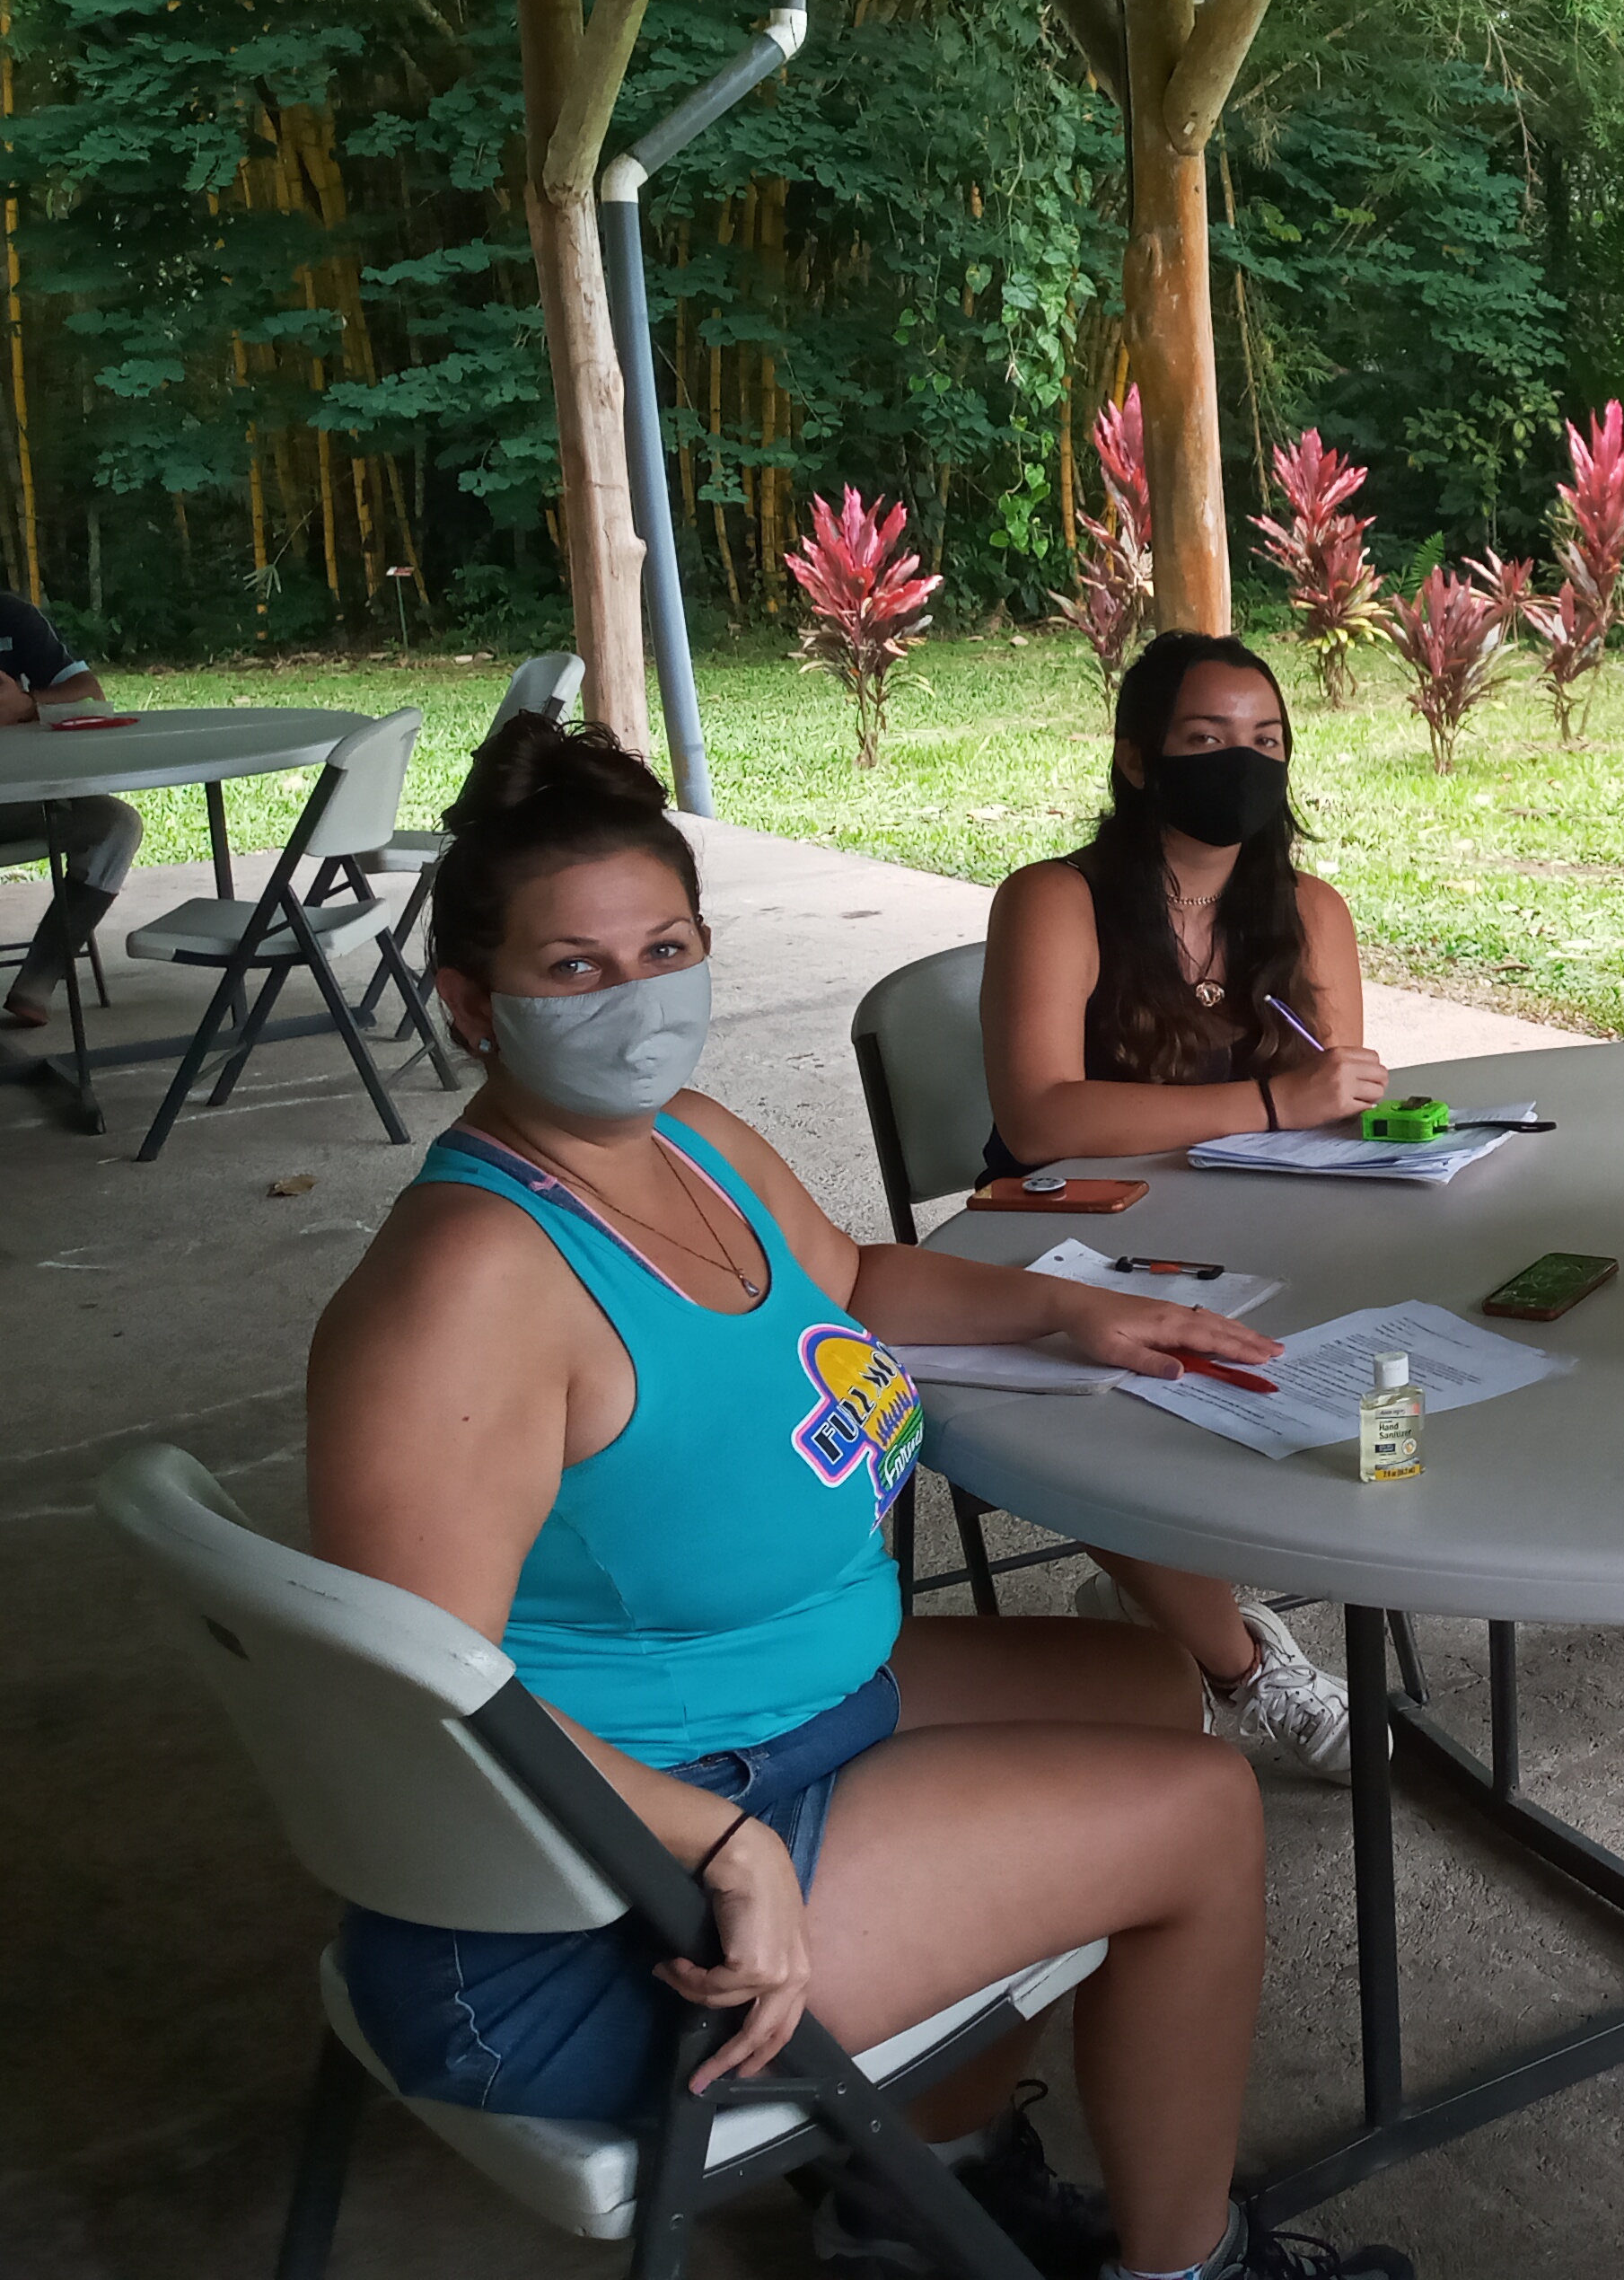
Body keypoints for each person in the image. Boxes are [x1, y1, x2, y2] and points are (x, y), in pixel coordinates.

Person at [307, 714, 1403, 2280]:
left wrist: (1075, 1309)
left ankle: (922, 2189)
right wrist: (716, 1844)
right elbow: (408, 1698)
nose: (635, 998)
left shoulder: (688, 1143)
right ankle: (1192, 2269)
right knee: (1201, 1815)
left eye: (664, 950)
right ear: (472, 1003)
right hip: (576, 1914)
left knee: (1145, 1683)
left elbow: (852, 1279)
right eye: (574, 968)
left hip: (761, 1728)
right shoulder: (469, 1284)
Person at [979, 629, 1389, 1780]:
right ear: (1137, 758)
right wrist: (1268, 1100)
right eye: (1204, 739)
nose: (1240, 764)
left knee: (1386, 1344)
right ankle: (1243, 1667)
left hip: (1252, 1219)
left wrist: (1340, 1100)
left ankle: (1153, 1589)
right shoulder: (1056, 900)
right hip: (1075, 1227)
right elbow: (1040, 1117)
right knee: (1095, 1406)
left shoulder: (1308, 908)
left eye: (1265, 740)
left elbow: (1327, 1104)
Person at [0, 588, 136, 1029]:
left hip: (19, 799)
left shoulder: (12, 617)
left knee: (115, 825)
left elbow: (88, 693)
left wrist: (27, 705)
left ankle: (38, 981)